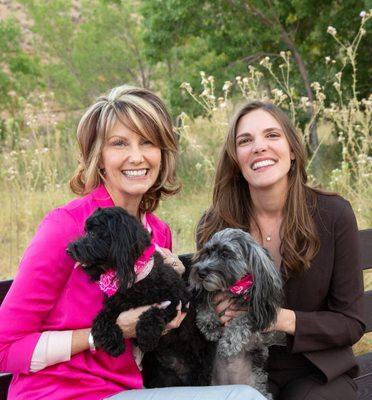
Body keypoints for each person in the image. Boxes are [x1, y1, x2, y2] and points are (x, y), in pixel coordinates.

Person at [0, 86, 267, 400]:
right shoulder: (67, 227)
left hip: (128, 391)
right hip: (60, 393)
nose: (137, 156)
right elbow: (5, 348)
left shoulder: (157, 232)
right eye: (119, 143)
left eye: (148, 142)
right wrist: (102, 334)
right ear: (98, 157)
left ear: (162, 153)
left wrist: (180, 295)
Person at [196, 101, 365, 400]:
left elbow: (350, 323)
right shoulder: (215, 224)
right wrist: (216, 310)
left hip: (317, 370)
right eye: (245, 141)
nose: (259, 147)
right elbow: (205, 306)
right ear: (236, 159)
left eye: (271, 135)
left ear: (292, 149)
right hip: (241, 365)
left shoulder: (333, 214)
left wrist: (277, 318)